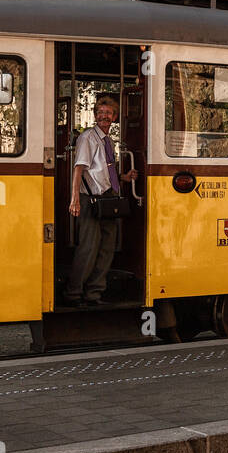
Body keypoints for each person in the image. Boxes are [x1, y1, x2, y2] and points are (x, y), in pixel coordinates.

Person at [67, 95, 136, 307]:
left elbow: (104, 168)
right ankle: (73, 294)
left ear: (114, 117)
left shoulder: (108, 140)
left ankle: (94, 294)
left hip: (108, 197)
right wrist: (75, 199)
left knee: (107, 247)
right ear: (96, 115)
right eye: (100, 113)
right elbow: (79, 168)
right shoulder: (88, 137)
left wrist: (123, 177)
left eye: (108, 113)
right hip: (90, 199)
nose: (104, 116)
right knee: (88, 247)